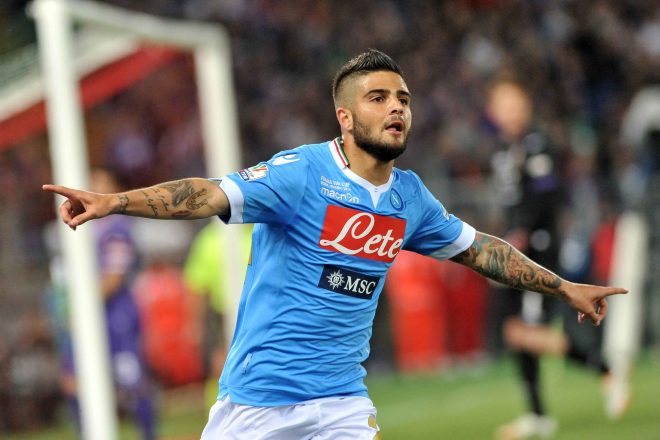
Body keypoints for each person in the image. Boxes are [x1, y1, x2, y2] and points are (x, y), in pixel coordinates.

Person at [43, 49, 626, 439]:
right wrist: (115, 201)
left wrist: (564, 287)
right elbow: (207, 193)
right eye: (379, 98)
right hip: (257, 403)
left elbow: (482, 250)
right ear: (345, 117)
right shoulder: (301, 173)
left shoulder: (410, 197)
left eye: (403, 98)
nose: (397, 107)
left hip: (341, 404)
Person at [484, 78, 623, 439]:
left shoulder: (537, 144)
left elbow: (546, 197)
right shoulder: (502, 152)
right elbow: (509, 203)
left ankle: (604, 368)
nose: (510, 110)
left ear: (525, 105)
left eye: (514, 102)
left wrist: (522, 232)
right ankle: (537, 414)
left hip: (537, 251)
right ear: (492, 112)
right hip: (512, 252)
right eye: (502, 104)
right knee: (515, 333)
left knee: (527, 333)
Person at [54, 168, 156, 440]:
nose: (94, 187)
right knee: (73, 378)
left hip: (115, 313)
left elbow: (114, 277)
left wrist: (82, 308)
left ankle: (148, 434)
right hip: (88, 311)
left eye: (101, 182)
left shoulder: (117, 227)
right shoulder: (86, 228)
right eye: (91, 181)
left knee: (130, 379)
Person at [182, 221, 252, 408]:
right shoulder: (210, 238)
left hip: (262, 313)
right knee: (221, 369)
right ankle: (219, 413)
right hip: (222, 315)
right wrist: (195, 325)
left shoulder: (265, 229)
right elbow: (197, 286)